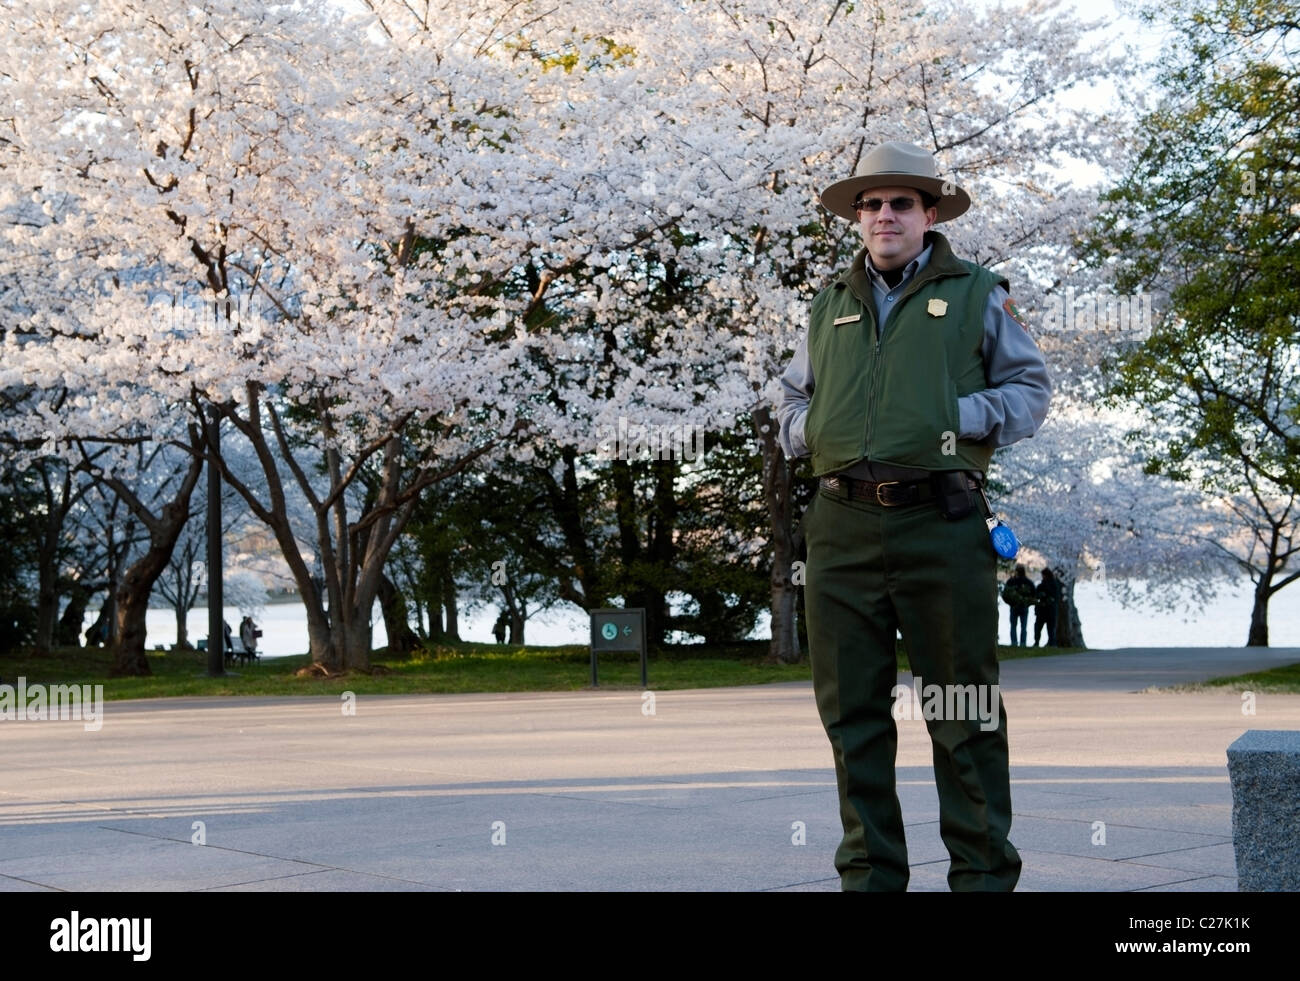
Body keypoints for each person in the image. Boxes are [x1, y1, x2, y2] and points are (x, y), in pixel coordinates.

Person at [777, 140, 1052, 891]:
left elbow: (1030, 391)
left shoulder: (976, 291)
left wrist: (953, 414)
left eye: (902, 203)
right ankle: (869, 880)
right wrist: (812, 429)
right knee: (852, 720)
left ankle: (983, 879)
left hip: (942, 522)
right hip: (838, 528)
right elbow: (791, 398)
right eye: (871, 205)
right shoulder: (829, 301)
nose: (885, 215)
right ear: (857, 218)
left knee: (961, 715)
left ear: (930, 214)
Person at [1001, 564, 1035, 647]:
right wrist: (1027, 603)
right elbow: (1034, 594)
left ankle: (1014, 643)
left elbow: (1005, 594)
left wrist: (1010, 603)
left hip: (1014, 607)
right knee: (1023, 627)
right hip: (1023, 607)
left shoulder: (1011, 581)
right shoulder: (1028, 582)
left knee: (1013, 626)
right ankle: (1023, 643)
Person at [1033, 568, 1061, 647]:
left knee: (1043, 628)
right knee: (1049, 628)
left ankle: (1044, 642)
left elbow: (1054, 597)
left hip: (1046, 610)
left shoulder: (1047, 585)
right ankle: (1050, 643)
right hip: (1048, 611)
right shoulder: (1053, 585)